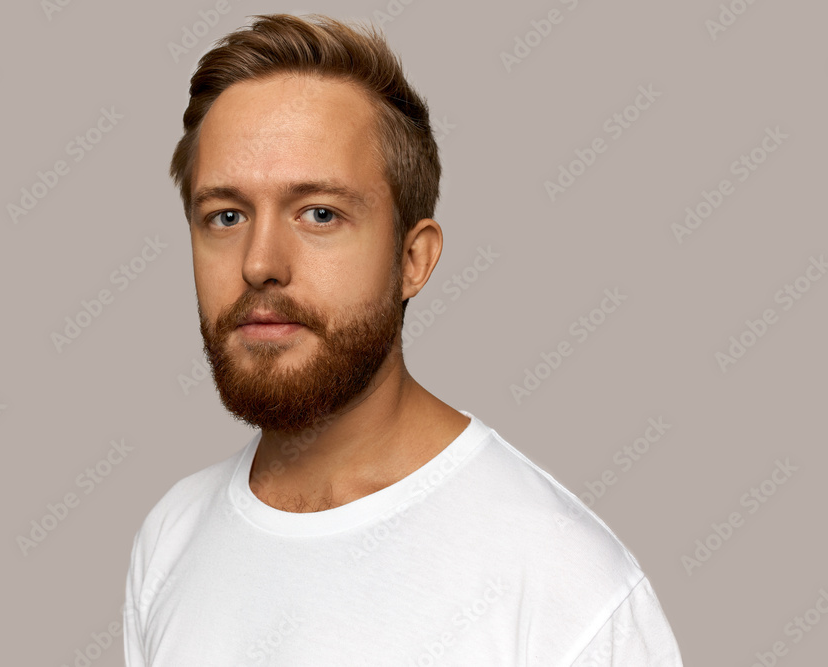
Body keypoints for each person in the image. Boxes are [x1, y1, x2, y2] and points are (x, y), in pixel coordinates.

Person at [124, 13, 683, 666]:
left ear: (413, 258)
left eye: (320, 213)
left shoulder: (566, 587)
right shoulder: (170, 538)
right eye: (226, 215)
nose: (259, 262)